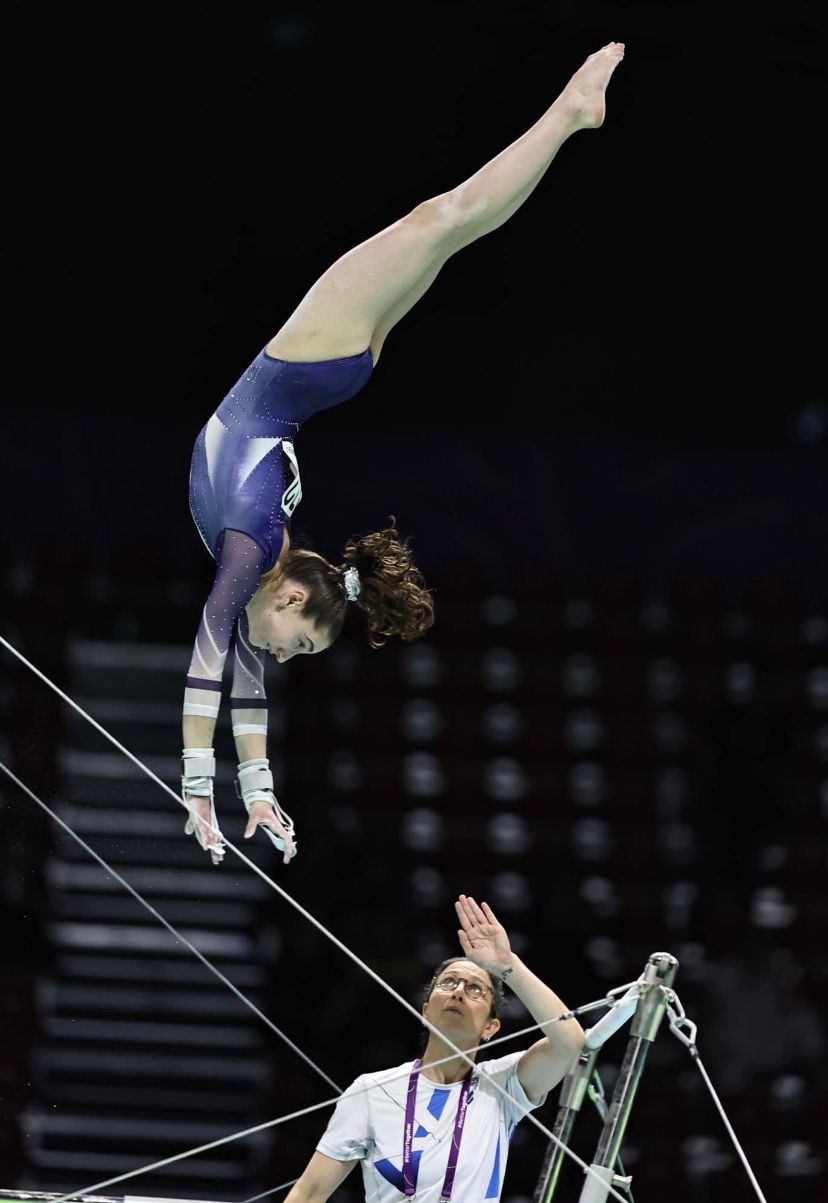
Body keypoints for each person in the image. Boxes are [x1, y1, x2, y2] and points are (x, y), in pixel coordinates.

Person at [181, 43, 626, 866]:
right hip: (315, 367)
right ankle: (567, 117)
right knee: (448, 224)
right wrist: (240, 784)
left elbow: (218, 662)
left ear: (290, 597)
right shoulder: (256, 555)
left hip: (313, 365)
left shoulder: (246, 551)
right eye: (298, 648)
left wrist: (217, 786)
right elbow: (237, 673)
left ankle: (570, 111)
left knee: (449, 221)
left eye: (295, 647)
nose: (280, 657)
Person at [284, 895, 584, 1203]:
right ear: (426, 1012)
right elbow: (308, 1194)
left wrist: (509, 966)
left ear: (491, 1027)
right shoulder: (371, 1091)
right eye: (449, 982)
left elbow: (570, 1042)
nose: (458, 992)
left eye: (475, 989)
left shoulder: (502, 1085)